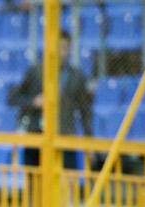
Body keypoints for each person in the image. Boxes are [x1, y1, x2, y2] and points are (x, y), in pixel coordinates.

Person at [7, 29, 93, 169]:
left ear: (70, 49)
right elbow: (12, 99)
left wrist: (89, 142)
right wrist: (34, 102)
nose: (60, 52)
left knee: (67, 183)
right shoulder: (35, 72)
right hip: (37, 138)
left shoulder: (77, 76)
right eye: (57, 47)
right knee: (35, 186)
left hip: (64, 137)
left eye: (64, 48)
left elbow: (85, 112)